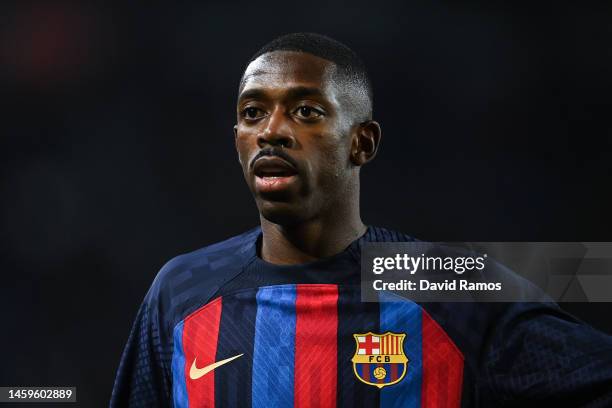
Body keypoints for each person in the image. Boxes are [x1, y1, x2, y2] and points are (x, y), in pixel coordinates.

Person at [111, 33, 612, 407]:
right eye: (252, 113)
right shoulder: (182, 290)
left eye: (306, 111)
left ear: (362, 142)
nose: (272, 131)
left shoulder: (441, 284)